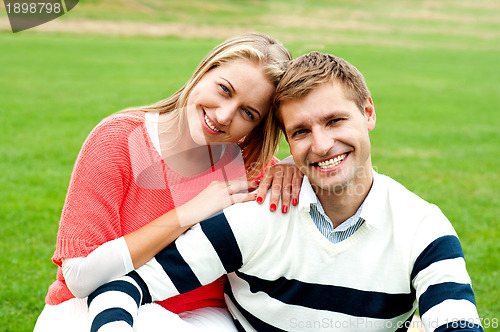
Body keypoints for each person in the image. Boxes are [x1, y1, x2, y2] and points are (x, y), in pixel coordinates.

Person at [86, 51, 483, 332]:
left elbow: (457, 323)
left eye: (335, 120)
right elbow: (124, 288)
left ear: (369, 113)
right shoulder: (257, 213)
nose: (322, 144)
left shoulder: (422, 228)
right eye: (301, 132)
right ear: (287, 144)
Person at [34, 32, 303, 332]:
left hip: (199, 316)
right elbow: (81, 276)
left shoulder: (252, 171)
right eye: (224, 90)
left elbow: (334, 172)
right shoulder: (118, 139)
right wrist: (189, 213)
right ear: (204, 71)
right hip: (82, 307)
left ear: (257, 126)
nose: (225, 115)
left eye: (248, 112)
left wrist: (292, 165)